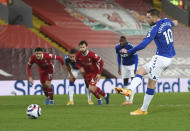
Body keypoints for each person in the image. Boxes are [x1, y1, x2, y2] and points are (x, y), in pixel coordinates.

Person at [115, 8, 178, 115]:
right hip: (168, 57)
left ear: (155, 17)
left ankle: (143, 109)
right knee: (141, 70)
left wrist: (129, 51)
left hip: (161, 58)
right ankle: (130, 90)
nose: (146, 19)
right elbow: (175, 22)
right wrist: (173, 23)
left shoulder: (155, 28)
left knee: (151, 83)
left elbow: (143, 45)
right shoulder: (167, 21)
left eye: (148, 17)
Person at [76, 40, 109, 105]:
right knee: (93, 88)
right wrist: (80, 67)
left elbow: (101, 62)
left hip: (94, 73)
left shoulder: (92, 54)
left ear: (86, 47)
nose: (82, 49)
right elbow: (77, 62)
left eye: (83, 47)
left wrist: (99, 73)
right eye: (80, 47)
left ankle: (100, 99)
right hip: (86, 74)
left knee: (91, 88)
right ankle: (105, 96)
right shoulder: (78, 54)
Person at [115, 36, 138, 105]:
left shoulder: (131, 46)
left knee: (133, 82)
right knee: (125, 82)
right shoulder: (117, 47)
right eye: (120, 42)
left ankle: (131, 100)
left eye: (122, 42)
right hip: (124, 66)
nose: (121, 43)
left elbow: (136, 57)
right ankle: (126, 99)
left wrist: (135, 68)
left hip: (132, 65)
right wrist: (119, 67)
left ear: (125, 41)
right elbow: (119, 56)